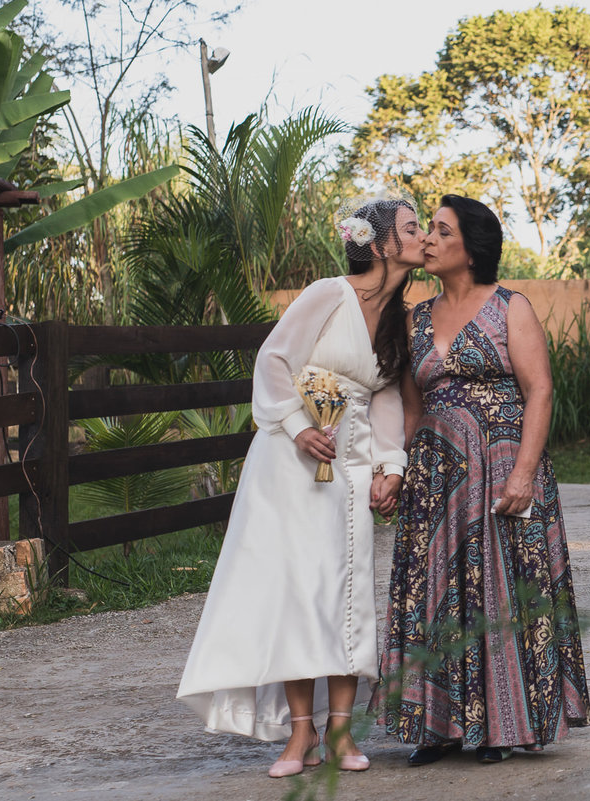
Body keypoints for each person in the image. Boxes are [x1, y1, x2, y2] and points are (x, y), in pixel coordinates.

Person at [177, 193, 424, 777]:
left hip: (352, 466)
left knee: (346, 592)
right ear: (379, 244)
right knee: (297, 592)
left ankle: (340, 733)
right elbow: (273, 360)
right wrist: (296, 427)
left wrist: (391, 466)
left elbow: (386, 395)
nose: (422, 237)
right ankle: (300, 735)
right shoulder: (327, 294)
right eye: (412, 228)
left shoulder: (401, 318)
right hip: (292, 461)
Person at [377, 195, 590, 765]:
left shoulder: (509, 307)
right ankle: (439, 727)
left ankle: (502, 725)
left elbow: (539, 390)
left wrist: (524, 474)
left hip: (502, 472)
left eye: (441, 231)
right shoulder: (415, 318)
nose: (428, 239)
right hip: (434, 481)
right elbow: (411, 409)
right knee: (433, 594)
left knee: (499, 592)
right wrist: (396, 472)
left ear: (470, 250)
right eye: (428, 229)